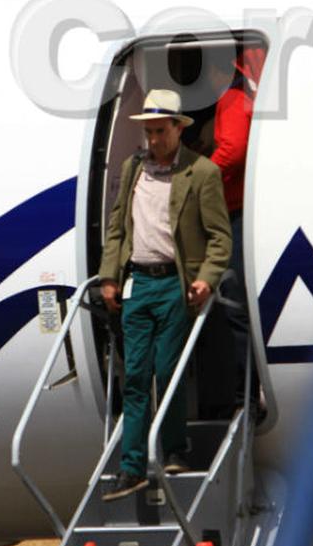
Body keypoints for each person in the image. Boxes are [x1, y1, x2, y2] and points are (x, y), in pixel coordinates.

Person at [98, 89, 232, 501]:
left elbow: (220, 238)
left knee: (167, 369)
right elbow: (117, 227)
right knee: (134, 374)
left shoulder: (201, 173)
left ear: (178, 128)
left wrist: (206, 278)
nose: (153, 140)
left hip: (173, 283)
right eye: (148, 132)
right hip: (138, 282)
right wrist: (108, 276)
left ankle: (175, 448)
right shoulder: (134, 168)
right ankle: (132, 464)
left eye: (160, 131)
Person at [208, 46, 266, 420]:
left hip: (235, 213)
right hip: (242, 209)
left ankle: (246, 393)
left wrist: (196, 179)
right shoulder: (247, 96)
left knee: (235, 306)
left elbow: (232, 149)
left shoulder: (231, 97)